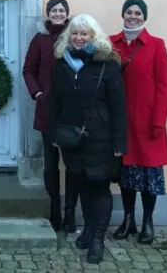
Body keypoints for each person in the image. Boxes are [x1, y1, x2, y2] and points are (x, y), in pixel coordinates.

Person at [46, 13, 127, 265]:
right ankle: (89, 229)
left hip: (101, 139)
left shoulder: (107, 64)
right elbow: (54, 102)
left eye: (84, 34)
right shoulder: (62, 64)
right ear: (69, 36)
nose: (79, 38)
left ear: (93, 37)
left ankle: (98, 239)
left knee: (100, 188)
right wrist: (54, 134)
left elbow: (119, 108)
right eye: (75, 33)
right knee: (81, 184)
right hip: (73, 139)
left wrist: (120, 143)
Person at [110, 0, 167, 245]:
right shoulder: (111, 45)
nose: (132, 16)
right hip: (121, 124)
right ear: (122, 15)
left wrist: (158, 121)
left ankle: (147, 221)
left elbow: (163, 87)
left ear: (144, 17)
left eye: (137, 13)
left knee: (148, 178)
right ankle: (128, 219)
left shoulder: (156, 45)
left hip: (147, 125)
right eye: (128, 12)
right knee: (126, 175)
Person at [22, 0, 76, 232]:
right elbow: (28, 70)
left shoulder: (75, 36)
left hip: (72, 112)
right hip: (47, 111)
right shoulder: (40, 39)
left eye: (62, 10)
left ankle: (71, 213)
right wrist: (38, 93)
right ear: (48, 13)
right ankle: (54, 208)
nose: (58, 14)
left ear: (67, 13)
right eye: (54, 10)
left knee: (73, 165)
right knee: (51, 164)